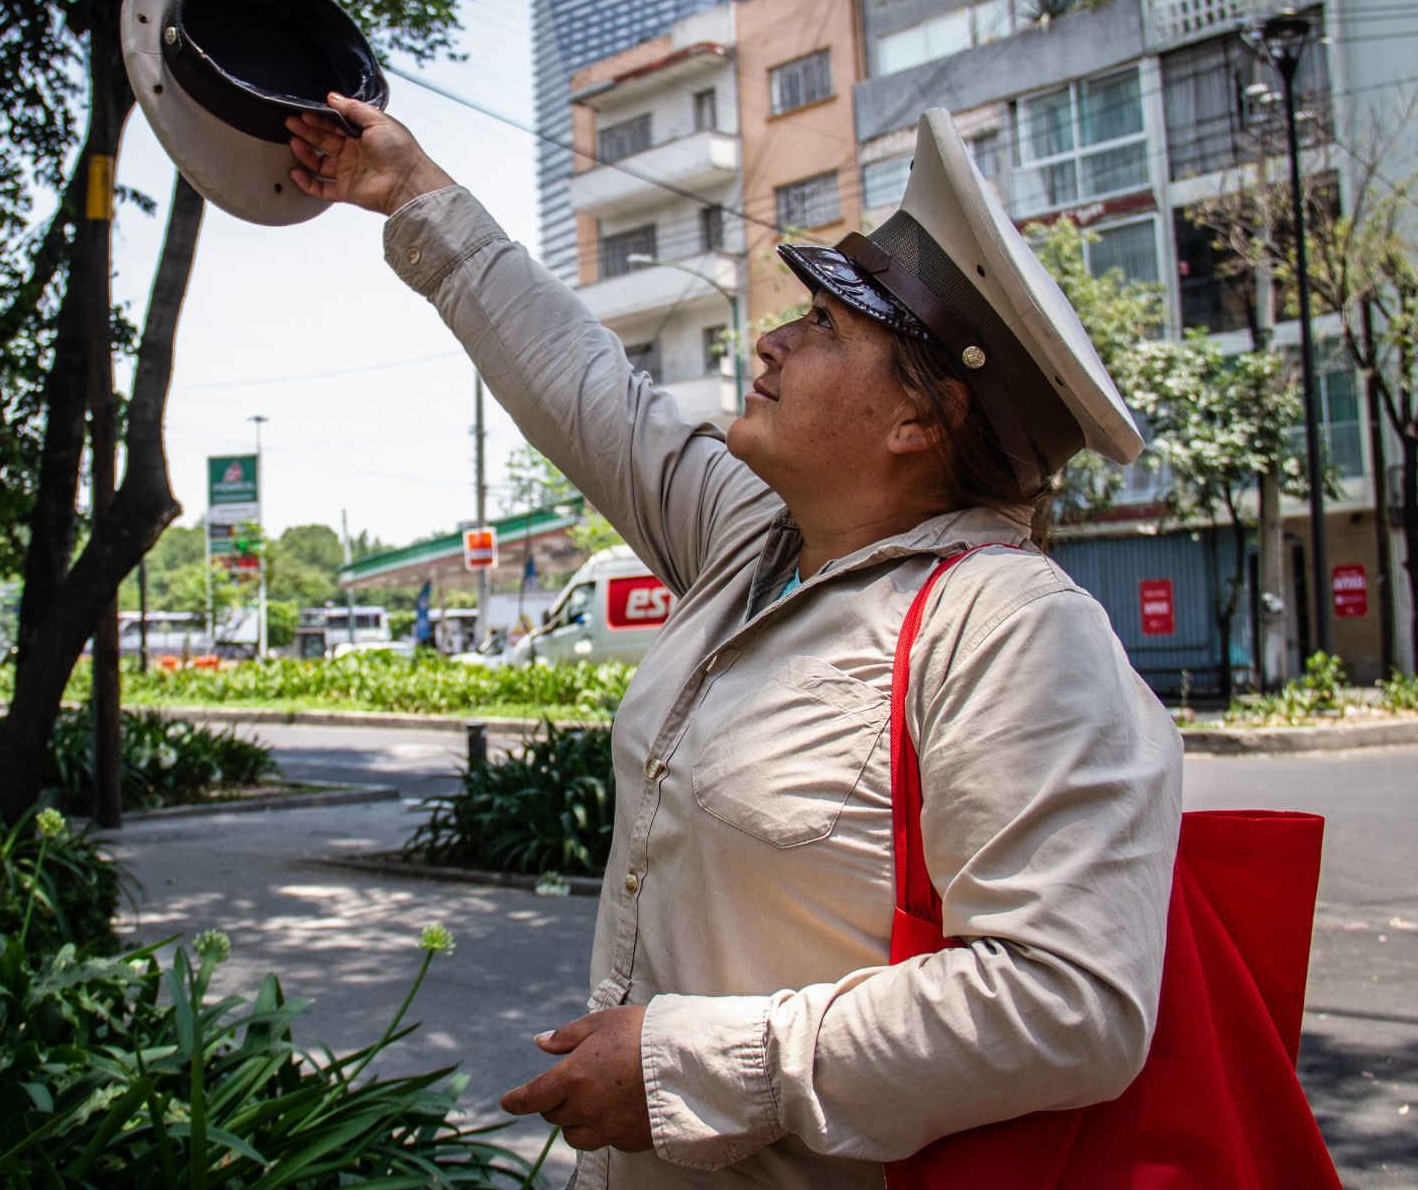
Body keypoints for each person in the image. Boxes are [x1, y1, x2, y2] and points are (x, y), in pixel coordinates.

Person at [287, 93, 1182, 1188]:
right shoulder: (753, 539)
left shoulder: (1011, 625)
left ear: (919, 421)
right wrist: (413, 192)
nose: (772, 337)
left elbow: (1068, 1001)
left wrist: (684, 1061)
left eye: (823, 328)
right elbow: (585, 389)